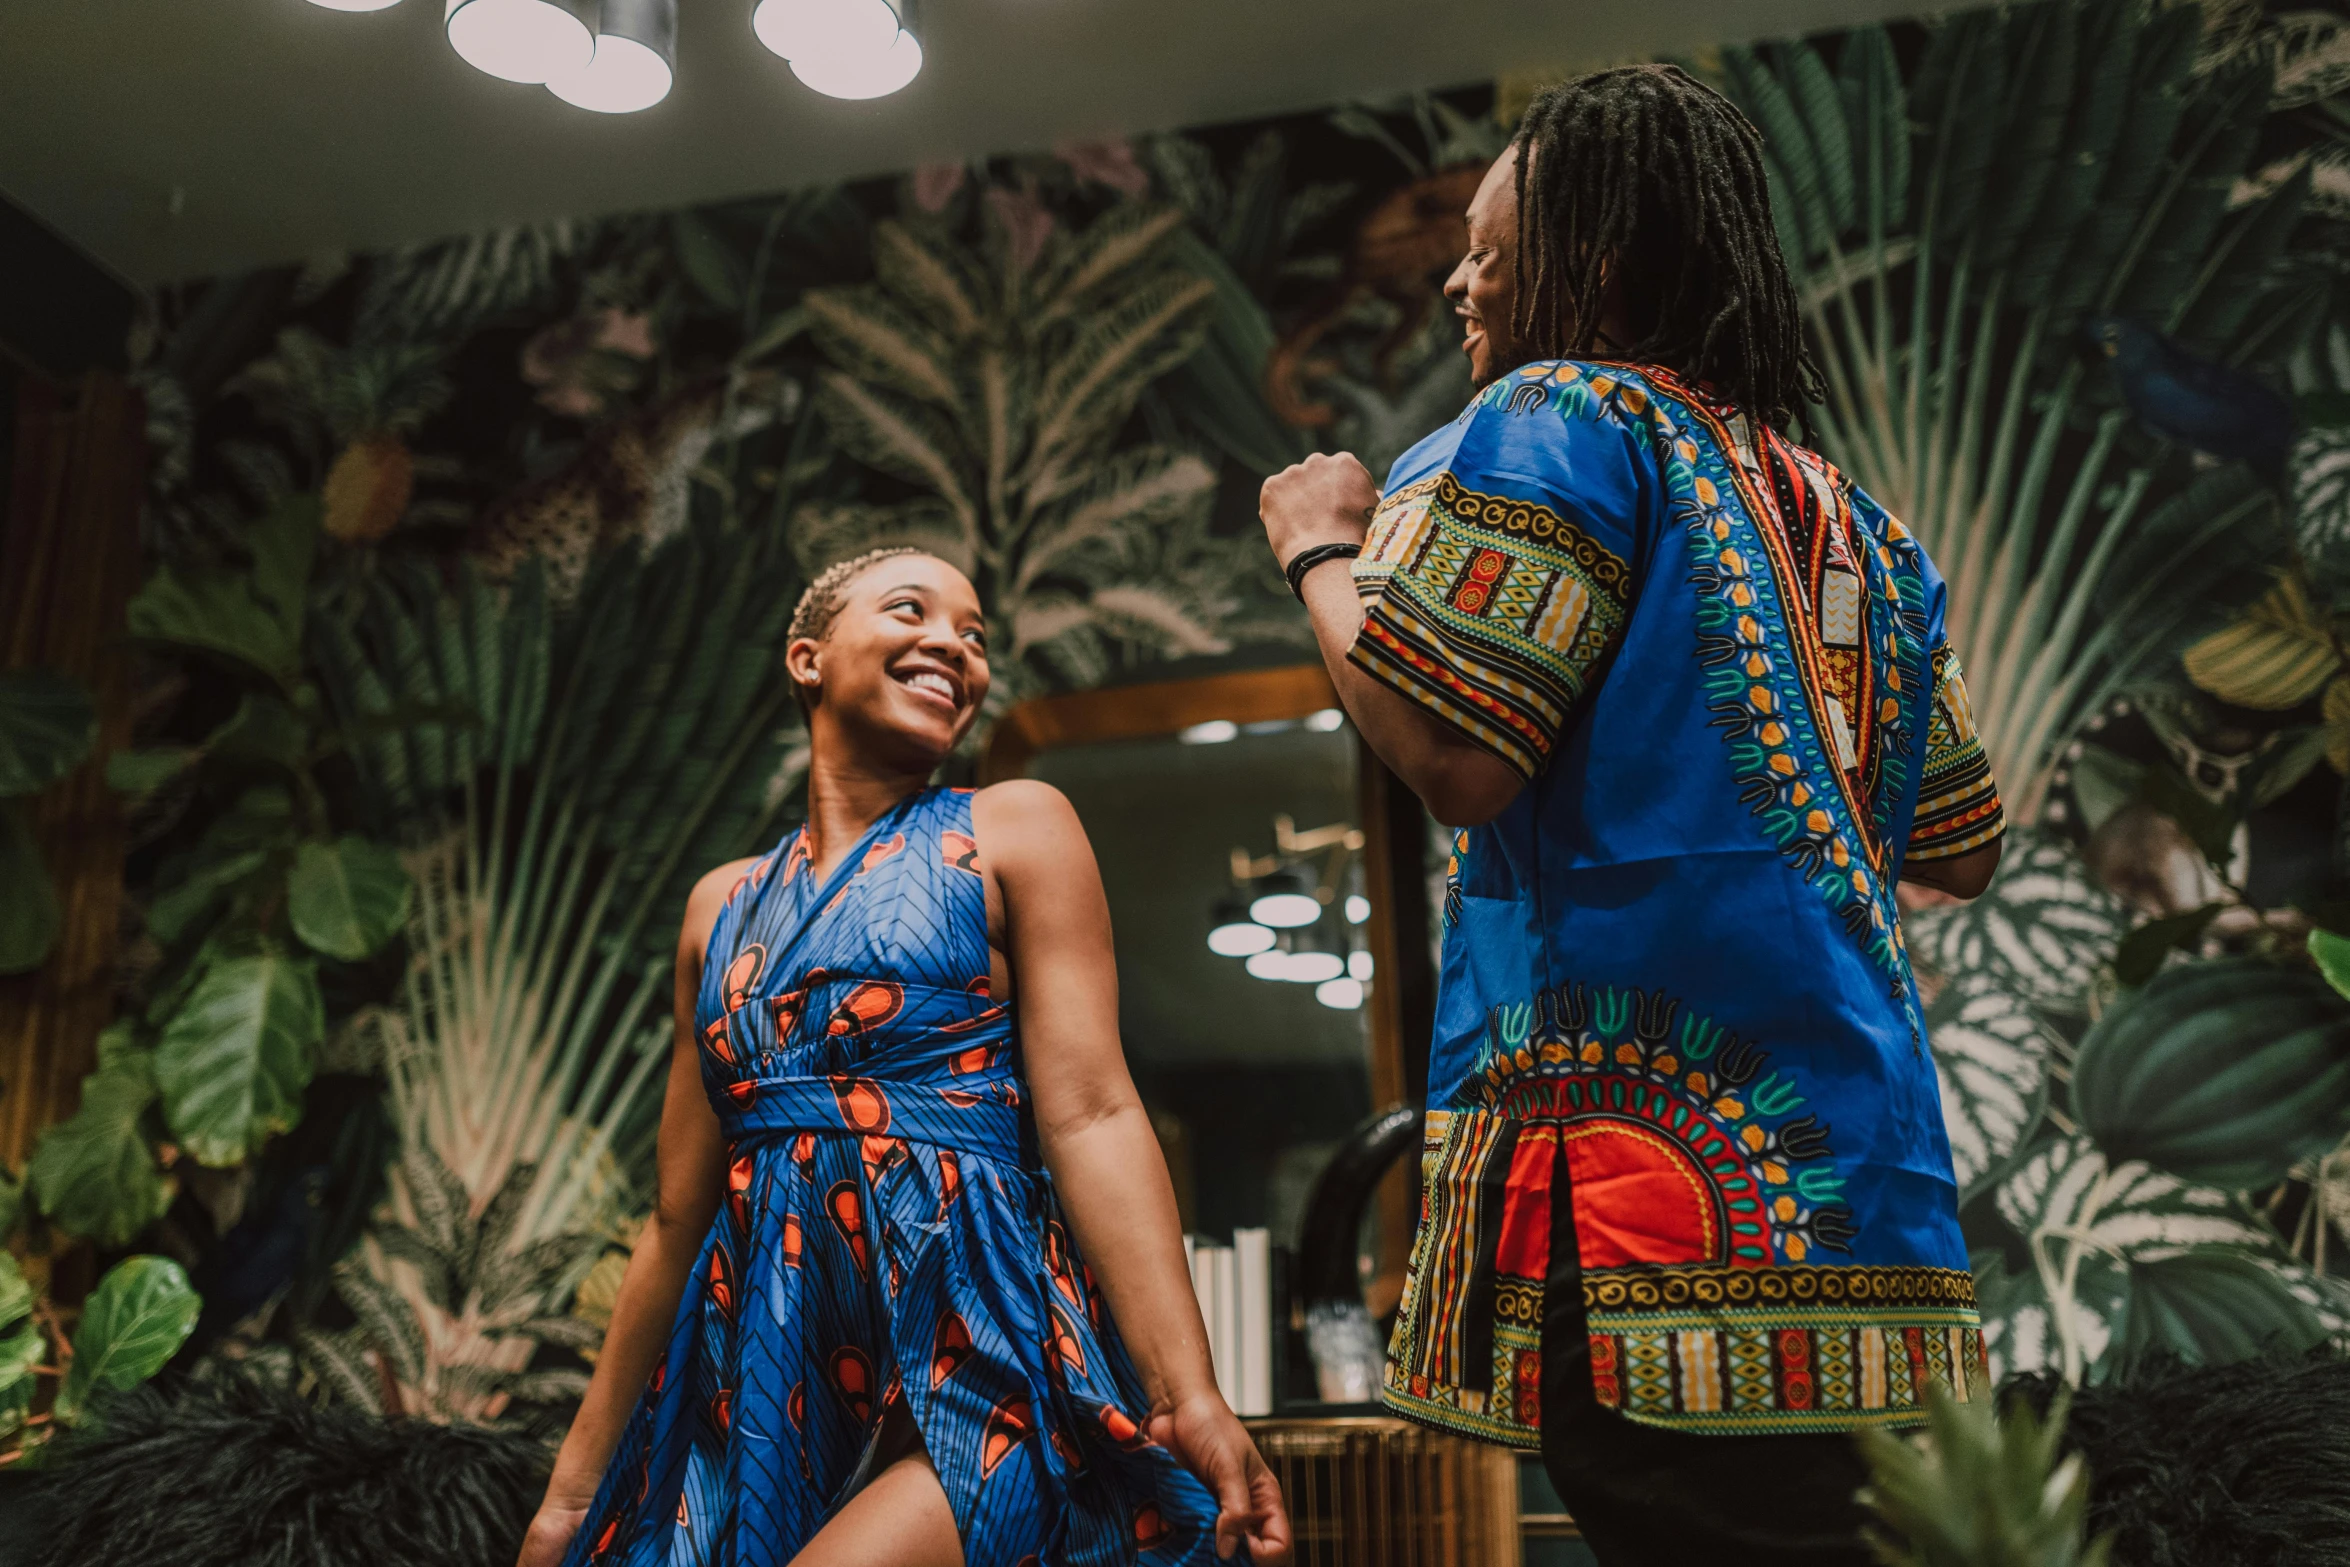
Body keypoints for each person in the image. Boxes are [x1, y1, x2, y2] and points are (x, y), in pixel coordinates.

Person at [1257, 66, 2006, 1567]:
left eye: (1487, 244)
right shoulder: (1846, 513)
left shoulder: (1551, 415)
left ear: (1592, 266)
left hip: (1650, 1210)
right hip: (1867, 1207)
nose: (1462, 279)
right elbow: (1956, 841)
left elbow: (1455, 755)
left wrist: (1321, 550)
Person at [517, 547, 1292, 1567]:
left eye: (974, 635)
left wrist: (1186, 1394)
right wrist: (570, 1500)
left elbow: (1093, 1112)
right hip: (762, 1380)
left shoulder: (1010, 828)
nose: (953, 646)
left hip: (984, 1359)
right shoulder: (720, 909)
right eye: (911, 610)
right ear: (808, 658)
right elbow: (676, 1216)